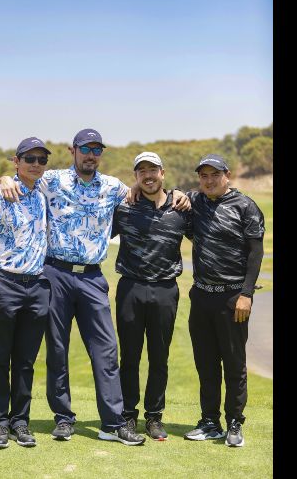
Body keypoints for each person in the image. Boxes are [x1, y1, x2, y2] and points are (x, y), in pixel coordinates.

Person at [0, 128, 191, 446]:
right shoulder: (52, 180)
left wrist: (178, 193)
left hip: (92, 277)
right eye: (85, 149)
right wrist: (5, 178)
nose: (91, 155)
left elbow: (149, 190)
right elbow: (23, 178)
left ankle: (113, 423)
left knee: (106, 350)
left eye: (97, 150)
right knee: (57, 350)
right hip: (55, 273)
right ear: (72, 150)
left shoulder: (113, 187)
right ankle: (63, 418)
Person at [0, 137, 52, 449]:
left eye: (41, 159)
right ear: (16, 162)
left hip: (37, 285)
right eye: (29, 158)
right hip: (3, 283)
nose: (36, 164)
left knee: (26, 361)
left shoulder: (43, 192)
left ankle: (20, 422)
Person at [181, 154, 265, 448]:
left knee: (234, 364)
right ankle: (210, 422)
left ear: (227, 175)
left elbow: (256, 253)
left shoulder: (245, 206)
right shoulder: (195, 202)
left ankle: (234, 422)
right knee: (206, 364)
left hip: (232, 298)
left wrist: (246, 294)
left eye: (214, 175)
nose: (209, 180)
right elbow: (169, 195)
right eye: (203, 176)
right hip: (201, 295)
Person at [111, 152, 192, 441]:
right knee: (129, 357)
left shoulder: (182, 207)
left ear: (162, 173)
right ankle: (128, 415)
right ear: (135, 176)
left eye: (153, 170)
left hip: (165, 289)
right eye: (141, 171)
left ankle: (154, 416)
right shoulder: (124, 208)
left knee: (159, 356)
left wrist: (182, 192)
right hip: (131, 288)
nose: (148, 175)